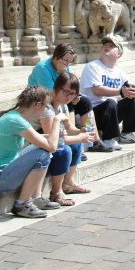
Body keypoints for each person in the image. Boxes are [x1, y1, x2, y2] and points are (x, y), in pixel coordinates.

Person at [0, 85, 66, 219]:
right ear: (38, 105)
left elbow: (39, 139)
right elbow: (51, 147)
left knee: (42, 149)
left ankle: (36, 198)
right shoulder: (17, 121)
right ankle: (22, 204)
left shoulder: (14, 117)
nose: (46, 111)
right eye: (46, 107)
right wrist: (56, 121)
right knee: (43, 153)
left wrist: (53, 135)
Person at [28, 42, 94, 160]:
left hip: (57, 98)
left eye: (70, 62)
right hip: (42, 100)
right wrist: (70, 96)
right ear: (56, 56)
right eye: (65, 61)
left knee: (84, 102)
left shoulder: (64, 67)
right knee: (67, 99)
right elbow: (51, 93)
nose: (67, 64)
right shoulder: (42, 68)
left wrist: (75, 96)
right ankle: (73, 140)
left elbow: (67, 84)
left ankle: (94, 138)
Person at [80, 35, 135, 152]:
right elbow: (97, 90)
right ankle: (107, 138)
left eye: (111, 46)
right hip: (92, 116)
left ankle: (127, 133)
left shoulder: (119, 71)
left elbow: (128, 85)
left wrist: (132, 89)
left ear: (119, 54)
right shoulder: (93, 66)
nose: (107, 46)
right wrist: (121, 92)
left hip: (110, 113)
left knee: (131, 99)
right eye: (105, 45)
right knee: (110, 102)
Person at [39, 73, 93, 206]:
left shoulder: (63, 105)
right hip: (39, 147)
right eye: (66, 92)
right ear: (57, 87)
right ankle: (56, 192)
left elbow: (69, 128)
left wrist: (80, 131)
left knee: (77, 144)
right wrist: (79, 137)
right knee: (65, 150)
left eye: (73, 94)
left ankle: (68, 182)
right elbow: (52, 140)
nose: (69, 97)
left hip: (52, 144)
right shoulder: (47, 109)